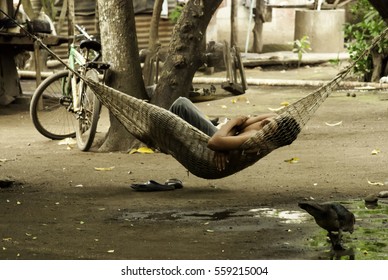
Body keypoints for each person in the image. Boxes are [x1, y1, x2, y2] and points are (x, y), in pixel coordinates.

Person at [169, 97, 280, 171]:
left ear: (275, 134)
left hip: (215, 137)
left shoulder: (255, 136)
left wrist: (233, 123)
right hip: (223, 133)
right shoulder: (272, 117)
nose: (268, 123)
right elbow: (241, 123)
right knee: (180, 106)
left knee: (181, 104)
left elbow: (214, 142)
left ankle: (160, 141)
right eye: (275, 121)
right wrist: (233, 127)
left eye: (273, 128)